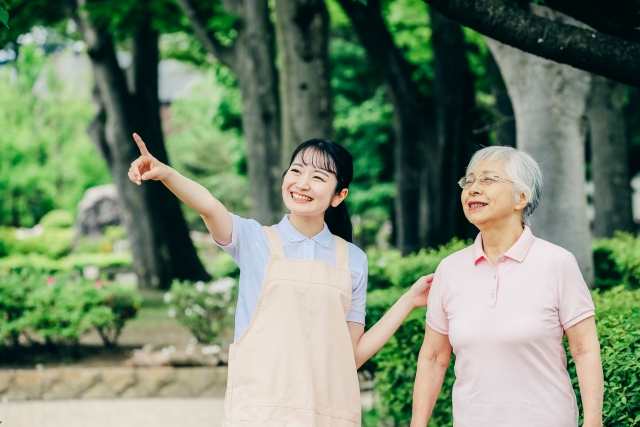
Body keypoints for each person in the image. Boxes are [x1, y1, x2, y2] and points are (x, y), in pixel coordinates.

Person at [128, 134, 433, 427]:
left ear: (339, 196)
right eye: (297, 170)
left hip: (326, 414)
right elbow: (208, 206)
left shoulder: (353, 260)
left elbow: (349, 356)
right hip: (261, 411)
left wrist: (408, 300)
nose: (302, 183)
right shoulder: (253, 239)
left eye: (318, 177)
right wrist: (166, 174)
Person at [411, 146, 604, 427]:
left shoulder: (557, 263)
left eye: (488, 179)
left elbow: (584, 348)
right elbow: (434, 356)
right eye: (469, 181)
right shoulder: (449, 269)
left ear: (521, 198)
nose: (473, 189)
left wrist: (593, 422)